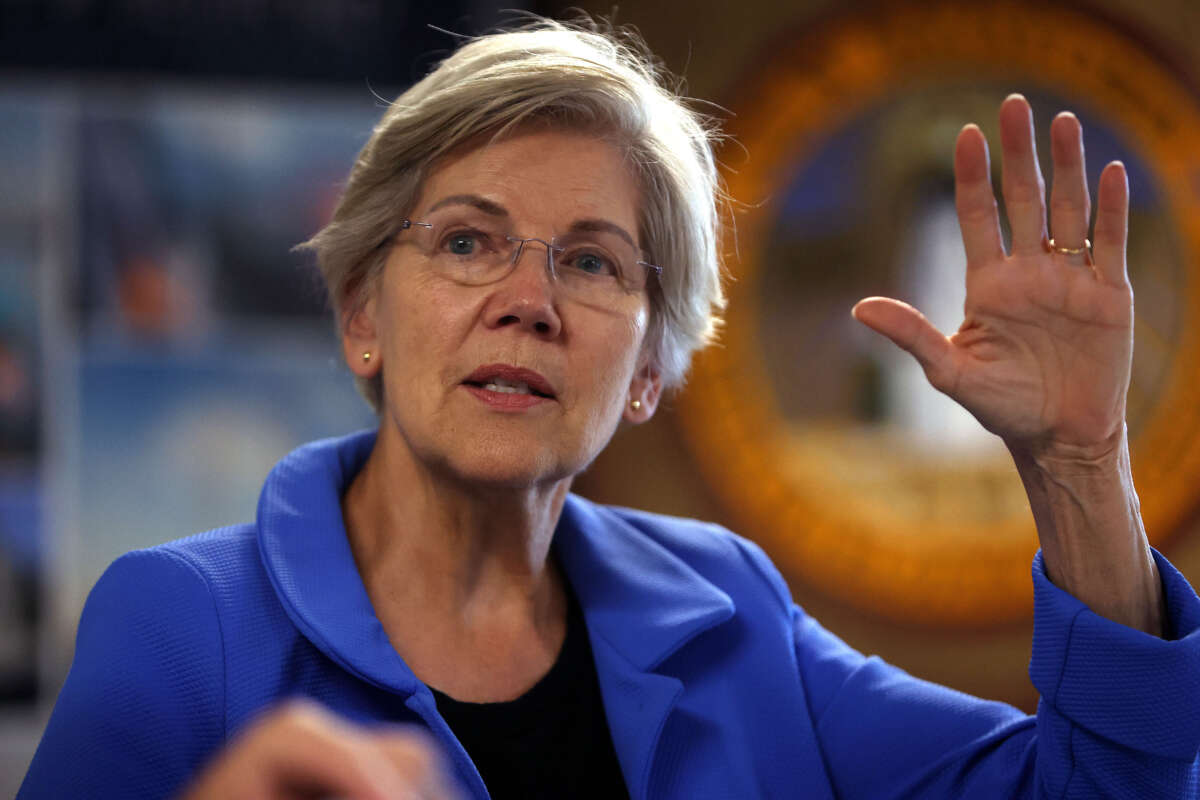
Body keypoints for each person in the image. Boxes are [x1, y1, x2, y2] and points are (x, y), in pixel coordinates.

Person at [19, 17, 1200, 800]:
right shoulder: (183, 626)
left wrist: (1081, 462)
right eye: (468, 240)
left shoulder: (732, 611)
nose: (527, 300)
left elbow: (1105, 785)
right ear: (362, 315)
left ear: (648, 371)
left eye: (592, 263)